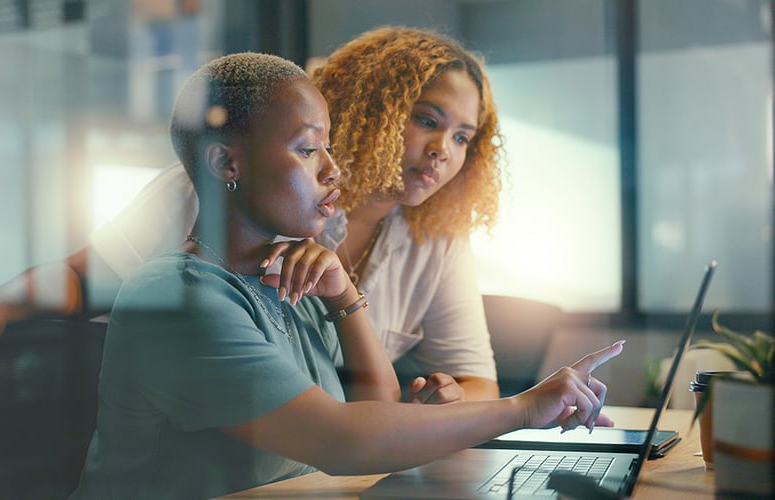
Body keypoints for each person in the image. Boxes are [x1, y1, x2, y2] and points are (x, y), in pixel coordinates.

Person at [68, 51, 624, 499]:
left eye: (327, 147)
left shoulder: (289, 276)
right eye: (308, 149)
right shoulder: (178, 296)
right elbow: (339, 441)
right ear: (226, 165)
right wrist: (523, 409)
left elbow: (373, 407)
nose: (333, 170)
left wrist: (343, 293)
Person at [0, 26, 503, 402]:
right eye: (427, 120)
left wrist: (445, 401)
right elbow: (86, 275)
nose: (441, 153)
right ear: (370, 107)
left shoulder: (436, 238)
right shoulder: (214, 191)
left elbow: (477, 383)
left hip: (331, 447)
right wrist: (6, 303)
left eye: (462, 138)